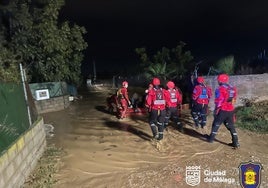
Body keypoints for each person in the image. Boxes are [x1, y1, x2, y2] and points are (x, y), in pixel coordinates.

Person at [208, 74, 240, 148]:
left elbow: (219, 101)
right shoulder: (233, 88)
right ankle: (236, 142)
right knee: (231, 126)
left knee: (216, 123)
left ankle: (211, 139)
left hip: (223, 109)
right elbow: (234, 99)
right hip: (231, 109)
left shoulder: (219, 89)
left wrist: (216, 110)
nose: (218, 81)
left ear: (220, 80)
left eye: (218, 80)